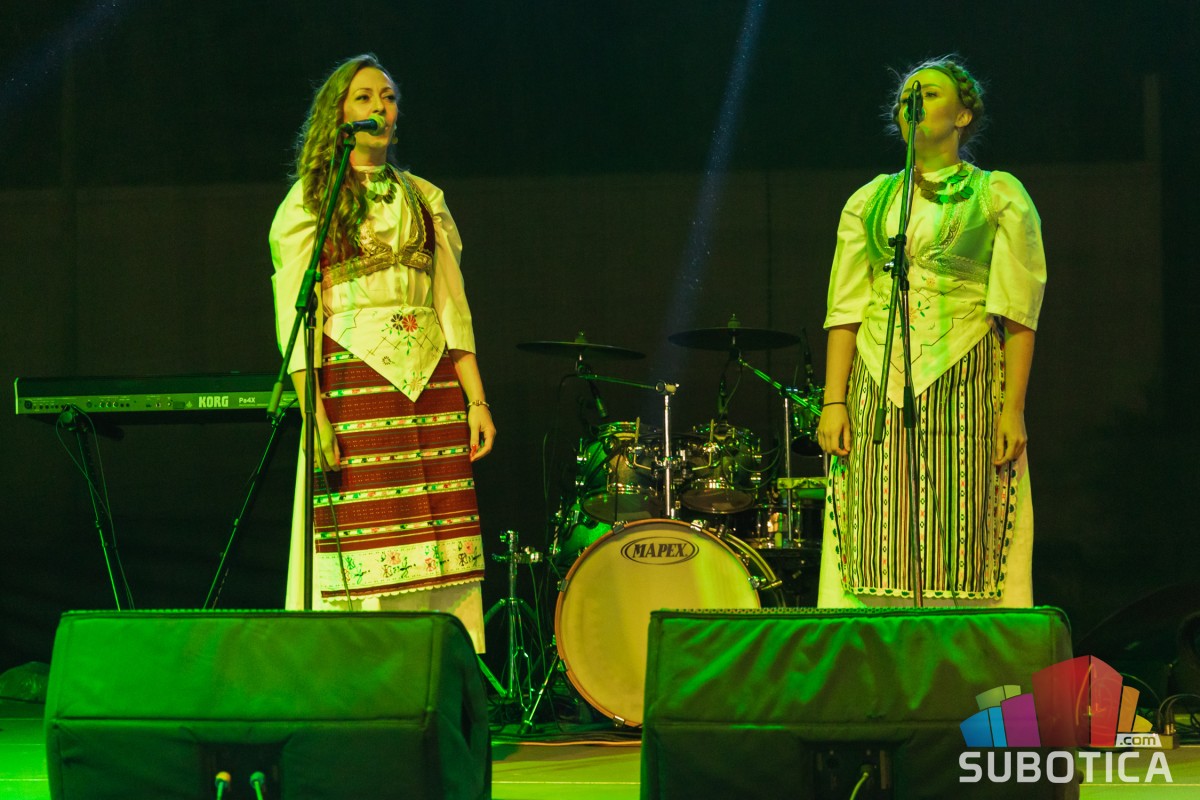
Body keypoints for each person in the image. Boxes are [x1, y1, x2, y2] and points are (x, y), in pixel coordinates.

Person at [269, 54, 495, 651]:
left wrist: (476, 400)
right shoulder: (310, 201)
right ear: (339, 114)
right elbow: (296, 311)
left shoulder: (424, 197)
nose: (380, 108)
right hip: (354, 380)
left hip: (430, 382)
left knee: (437, 530)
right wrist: (313, 412)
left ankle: (435, 665)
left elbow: (452, 304)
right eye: (365, 97)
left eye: (388, 98)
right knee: (366, 530)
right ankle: (357, 666)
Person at [815, 57, 1045, 608]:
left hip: (964, 372)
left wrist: (1013, 409)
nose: (913, 101)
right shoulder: (871, 199)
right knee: (877, 522)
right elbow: (845, 308)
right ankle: (877, 642)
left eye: (931, 93)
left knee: (961, 521)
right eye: (906, 96)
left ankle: (961, 642)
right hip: (877, 378)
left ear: (963, 115)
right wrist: (832, 401)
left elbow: (1019, 311)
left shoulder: (997, 194)